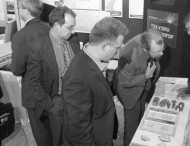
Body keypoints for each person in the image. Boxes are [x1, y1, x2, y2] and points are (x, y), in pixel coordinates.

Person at [62, 17, 129, 146]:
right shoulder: (78, 78)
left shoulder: (91, 61)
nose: (119, 51)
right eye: (118, 47)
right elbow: (78, 132)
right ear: (105, 46)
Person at [24, 6, 80, 146]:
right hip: (56, 101)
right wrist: (50, 105)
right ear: (56, 25)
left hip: (74, 99)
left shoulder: (73, 40)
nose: (73, 31)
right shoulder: (38, 46)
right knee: (57, 140)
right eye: (69, 27)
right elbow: (34, 82)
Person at [10, 0, 52, 145]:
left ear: (26, 11)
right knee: (56, 129)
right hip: (54, 88)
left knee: (41, 134)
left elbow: (16, 69)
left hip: (34, 93)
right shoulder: (52, 29)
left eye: (19, 8)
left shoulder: (20, 36)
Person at [114, 29, 164, 146]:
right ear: (145, 49)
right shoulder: (128, 56)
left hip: (143, 85)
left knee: (141, 116)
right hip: (129, 92)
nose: (161, 54)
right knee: (131, 125)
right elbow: (124, 82)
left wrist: (147, 78)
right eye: (157, 52)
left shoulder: (149, 38)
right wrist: (146, 76)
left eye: (162, 49)